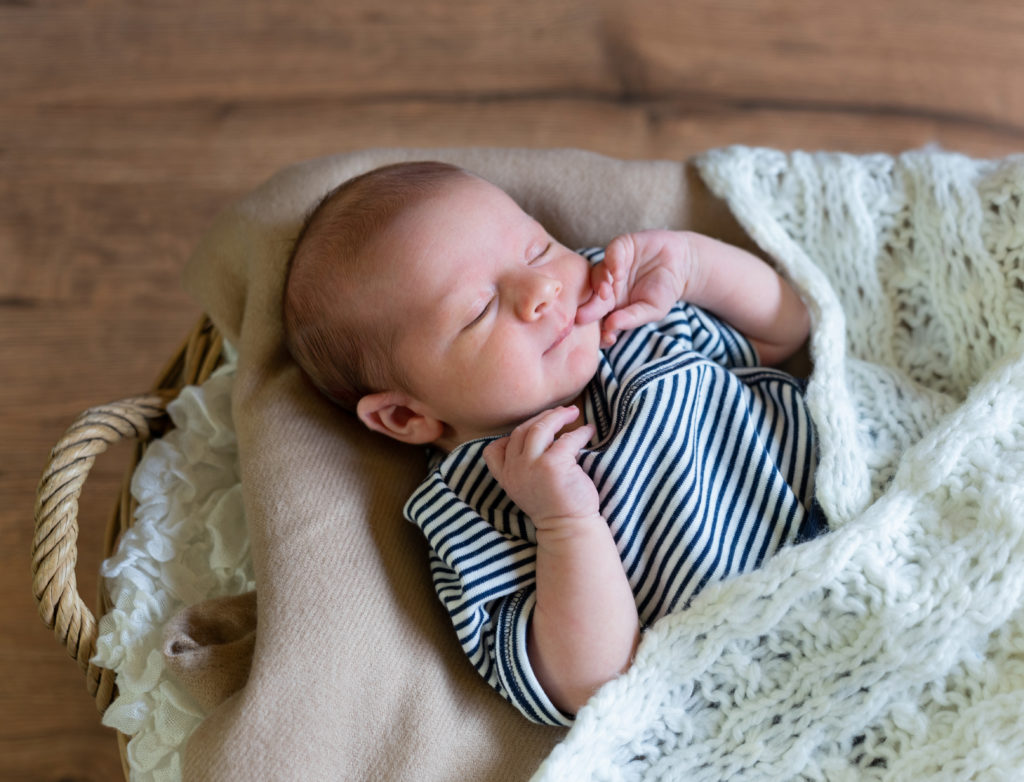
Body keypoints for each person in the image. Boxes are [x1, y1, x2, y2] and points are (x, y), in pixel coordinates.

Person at [282, 161, 825, 726]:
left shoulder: (627, 318)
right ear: (406, 414)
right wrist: (567, 523)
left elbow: (785, 330)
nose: (542, 288)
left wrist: (692, 266)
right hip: (766, 646)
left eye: (539, 249)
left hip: (860, 495)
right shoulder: (475, 502)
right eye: (479, 311)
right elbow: (592, 685)